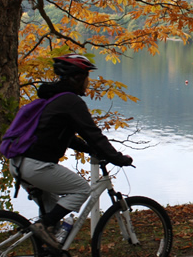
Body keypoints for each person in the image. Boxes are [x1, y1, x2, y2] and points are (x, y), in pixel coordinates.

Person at [9, 53, 133, 247]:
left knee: (53, 217)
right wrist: (117, 158)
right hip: (36, 166)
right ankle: (43, 226)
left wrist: (89, 149)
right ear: (77, 78)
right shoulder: (71, 102)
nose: (87, 83)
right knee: (82, 190)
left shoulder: (55, 99)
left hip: (19, 163)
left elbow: (64, 136)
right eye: (86, 77)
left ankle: (44, 244)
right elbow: (93, 134)